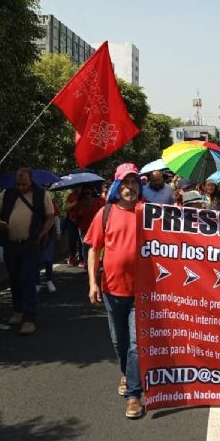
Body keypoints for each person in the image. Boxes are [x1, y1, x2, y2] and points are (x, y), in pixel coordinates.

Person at [85, 163, 145, 419]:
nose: (129, 187)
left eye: (134, 182)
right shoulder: (105, 213)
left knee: (135, 344)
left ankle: (134, 395)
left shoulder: (148, 213)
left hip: (142, 293)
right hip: (112, 290)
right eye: (125, 182)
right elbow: (93, 249)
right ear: (117, 186)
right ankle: (127, 371)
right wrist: (92, 283)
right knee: (119, 341)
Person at [0, 167, 56, 335]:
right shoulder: (6, 194)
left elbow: (51, 217)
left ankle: (29, 318)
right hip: (10, 243)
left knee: (28, 279)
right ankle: (17, 311)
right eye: (18, 184)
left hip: (31, 244)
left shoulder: (42, 195)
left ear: (31, 180)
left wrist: (41, 234)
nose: (21, 187)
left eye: (24, 184)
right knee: (13, 278)